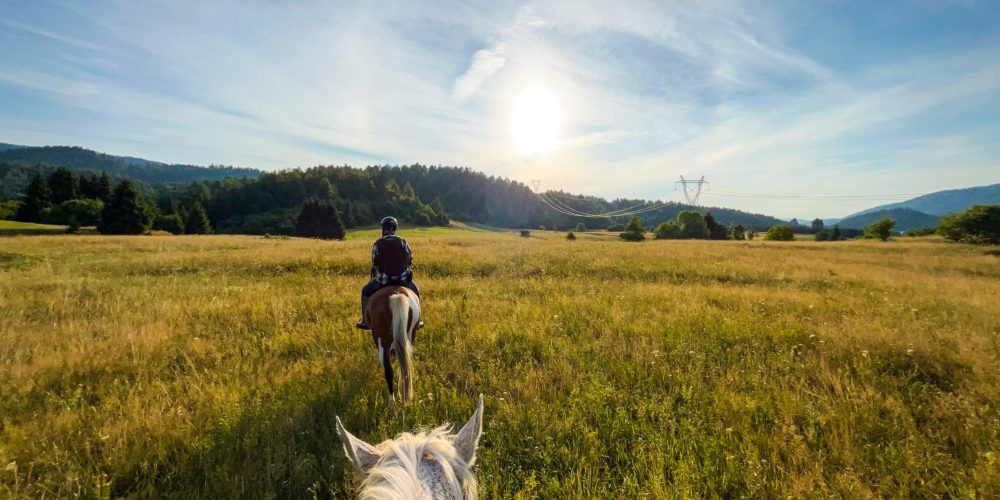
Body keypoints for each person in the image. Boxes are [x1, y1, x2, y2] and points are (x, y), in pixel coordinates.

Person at [356, 216, 423, 330]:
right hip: (403, 280)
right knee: (416, 292)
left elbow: (375, 262)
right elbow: (410, 259)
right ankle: (419, 320)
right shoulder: (402, 241)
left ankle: (364, 320)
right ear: (394, 229)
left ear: (383, 229)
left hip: (383, 281)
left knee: (365, 292)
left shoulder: (378, 243)